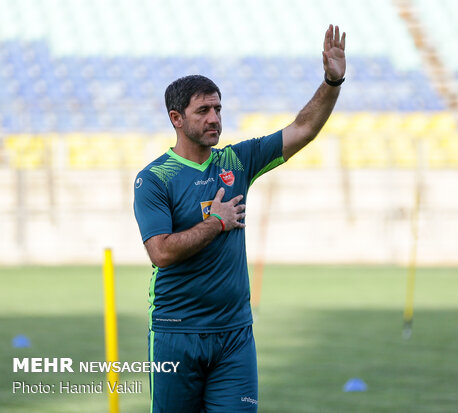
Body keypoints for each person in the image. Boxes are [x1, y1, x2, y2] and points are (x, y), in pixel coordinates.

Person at [133, 24, 346, 412]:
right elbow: (160, 253)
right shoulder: (154, 179)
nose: (215, 118)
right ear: (176, 118)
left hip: (234, 336)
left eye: (218, 109)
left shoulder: (236, 161)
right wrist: (215, 223)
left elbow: (303, 128)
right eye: (204, 111)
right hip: (176, 333)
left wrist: (332, 81)